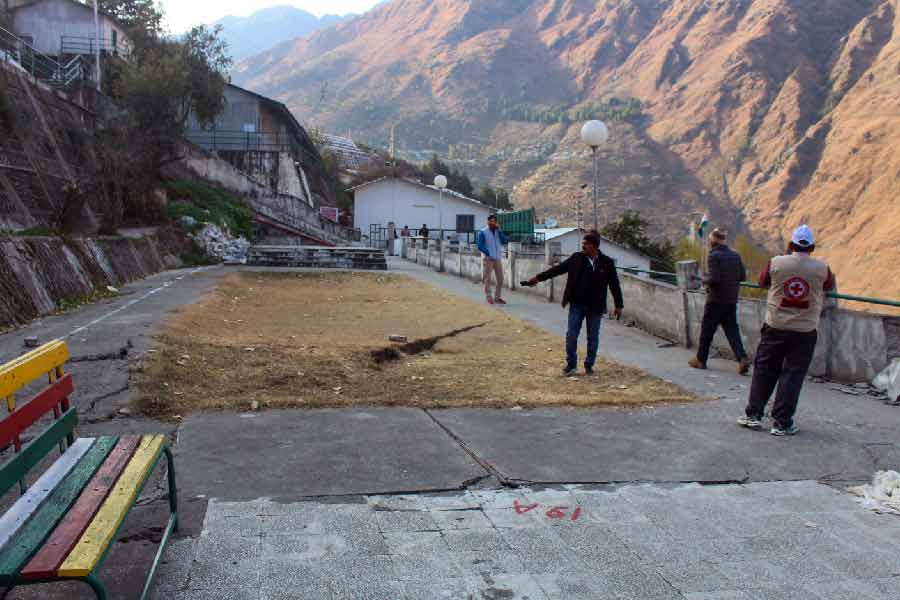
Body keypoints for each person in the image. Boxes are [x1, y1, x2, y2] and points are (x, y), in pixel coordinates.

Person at [738, 225, 835, 436]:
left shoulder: (775, 263)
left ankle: (753, 415)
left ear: (790, 244)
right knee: (792, 376)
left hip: (775, 326)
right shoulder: (822, 268)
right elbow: (829, 286)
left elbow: (762, 282)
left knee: (764, 370)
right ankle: (782, 423)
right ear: (812, 247)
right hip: (805, 331)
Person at [524, 232, 623, 376]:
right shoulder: (576, 258)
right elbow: (557, 270)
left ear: (594, 246)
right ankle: (571, 365)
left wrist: (618, 305)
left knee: (593, 337)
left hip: (595, 307)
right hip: (577, 304)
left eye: (586, 244)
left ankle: (589, 365)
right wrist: (538, 278)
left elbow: (615, 285)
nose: (583, 246)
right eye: (582, 244)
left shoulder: (607, 262)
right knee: (571, 335)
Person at [689, 228, 751, 375]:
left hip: (716, 300)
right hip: (731, 300)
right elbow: (743, 277)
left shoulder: (714, 256)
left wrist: (702, 279)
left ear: (712, 241)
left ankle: (700, 360)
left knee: (707, 330)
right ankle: (742, 358)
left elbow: (714, 279)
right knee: (732, 331)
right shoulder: (736, 255)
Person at [476, 214, 509, 305]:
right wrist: (487, 253)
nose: (492, 222)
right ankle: (489, 297)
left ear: (496, 222)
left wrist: (500, 230)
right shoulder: (483, 232)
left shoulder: (498, 231)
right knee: (488, 279)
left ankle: (497, 298)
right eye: (490, 221)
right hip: (488, 259)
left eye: (494, 221)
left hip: (497, 258)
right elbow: (479, 245)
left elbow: (505, 240)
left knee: (501, 279)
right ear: (487, 222)